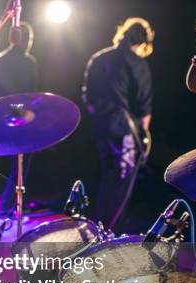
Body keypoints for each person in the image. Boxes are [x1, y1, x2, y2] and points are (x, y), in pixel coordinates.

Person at [82, 17, 154, 228]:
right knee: (122, 181)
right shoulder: (138, 63)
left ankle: (98, 226)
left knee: (107, 175)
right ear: (142, 41)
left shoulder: (98, 58)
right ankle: (110, 230)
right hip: (124, 129)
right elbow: (144, 104)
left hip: (100, 125)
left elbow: (87, 95)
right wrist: (144, 136)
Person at [0, 22, 39, 219]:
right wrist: (23, 113)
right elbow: (29, 93)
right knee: (20, 163)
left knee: (14, 163)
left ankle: (11, 207)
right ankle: (9, 208)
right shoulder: (28, 62)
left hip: (2, 115)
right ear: (25, 39)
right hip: (20, 115)